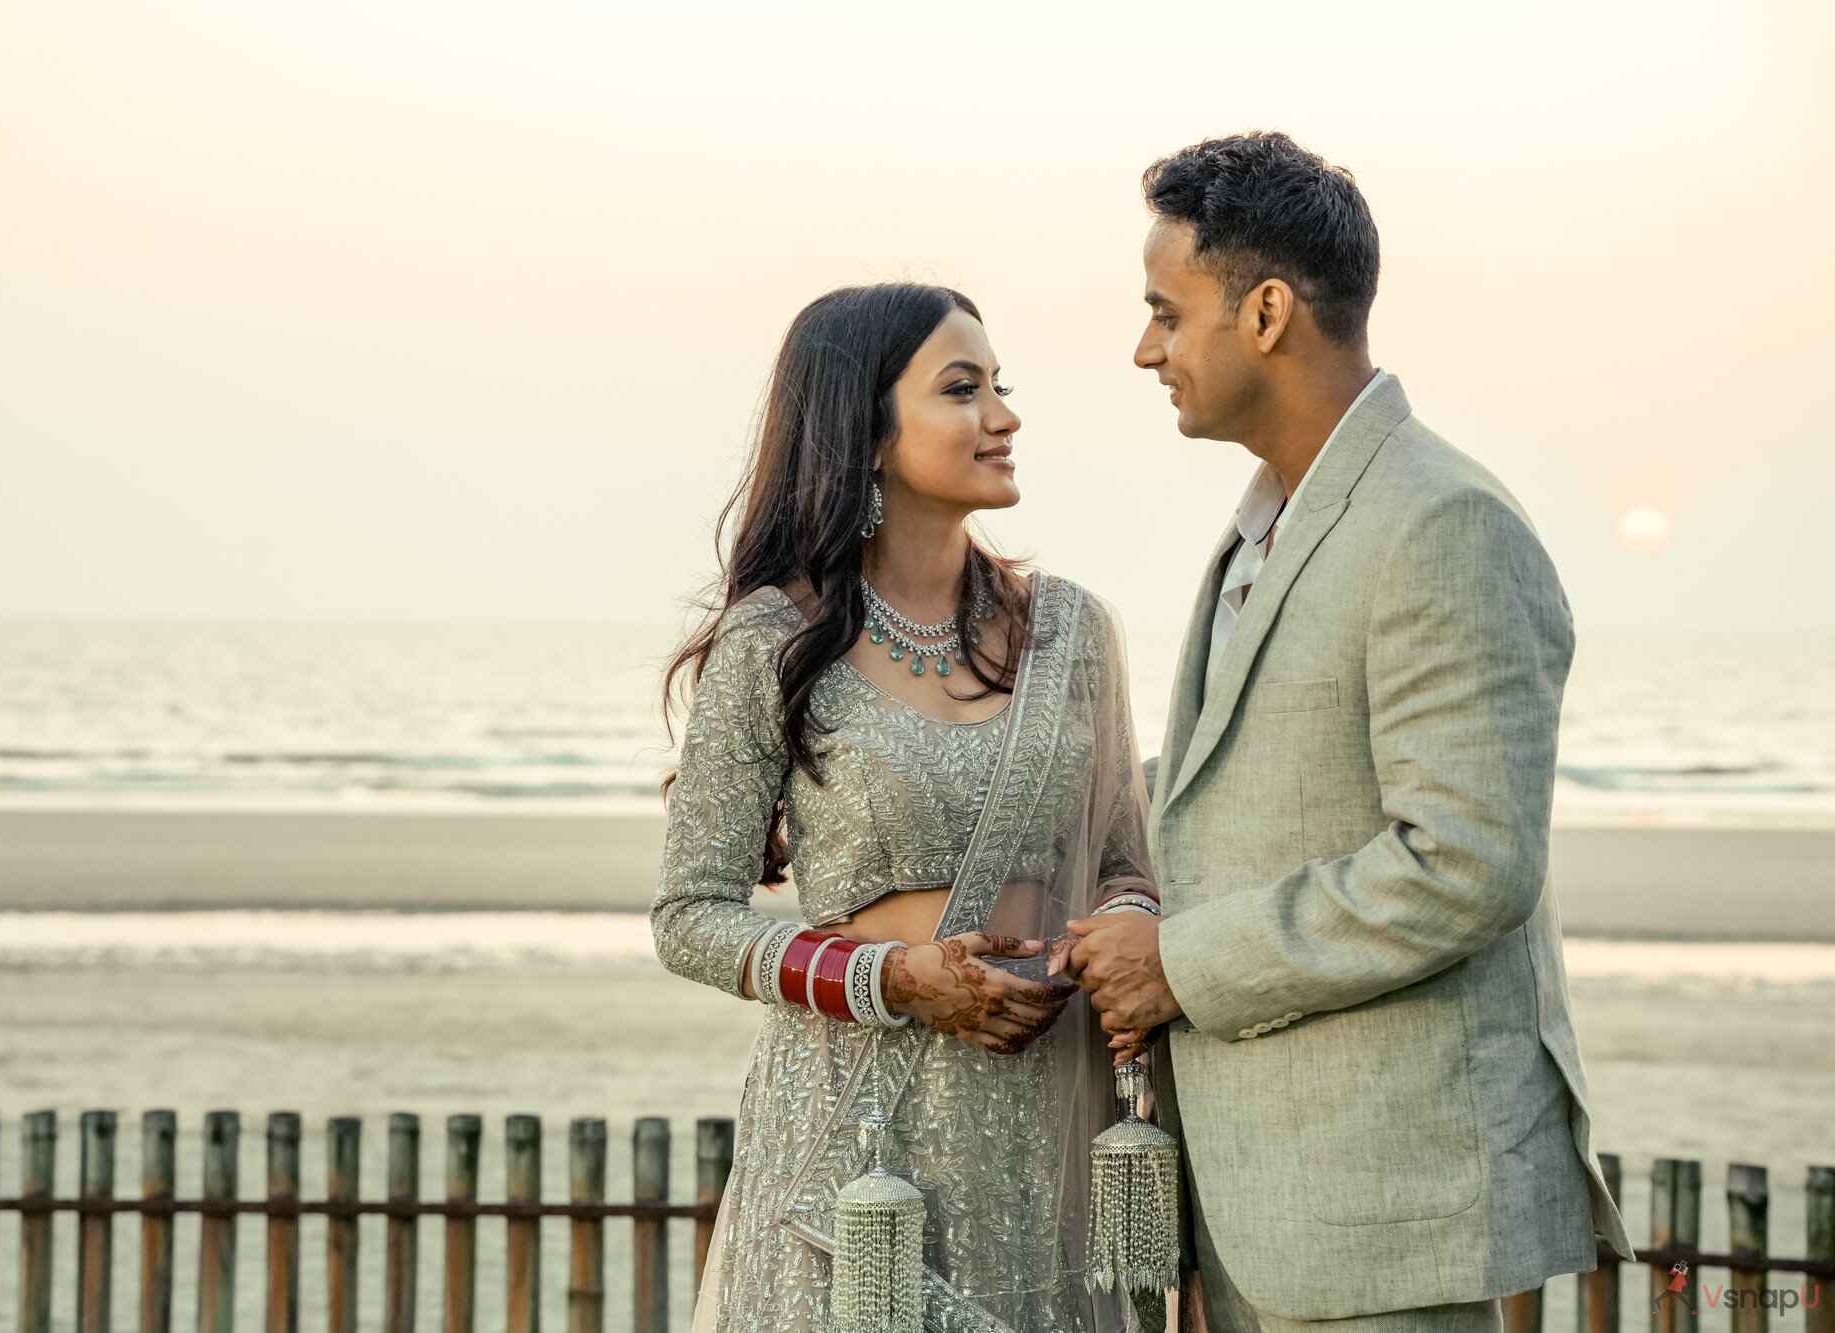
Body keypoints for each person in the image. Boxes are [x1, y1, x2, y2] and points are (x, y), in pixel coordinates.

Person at [1060, 132, 1635, 1333]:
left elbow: (1464, 862)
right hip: (1260, 1195)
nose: (1143, 347)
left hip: (1382, 1212)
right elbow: (1238, 783)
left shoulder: (1442, 524)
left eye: (1165, 311)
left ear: (1264, 311)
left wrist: (1180, 963)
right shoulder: (1264, 523)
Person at [652, 283, 1162, 1332]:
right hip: (856, 1136)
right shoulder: (773, 643)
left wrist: (1121, 932)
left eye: (998, 387)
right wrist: (890, 978)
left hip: (1039, 1120)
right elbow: (689, 917)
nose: (1004, 418)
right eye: (961, 389)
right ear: (866, 432)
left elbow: (1127, 865)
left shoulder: (1070, 634)